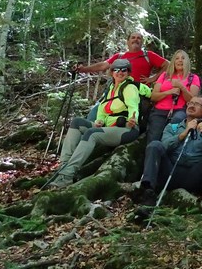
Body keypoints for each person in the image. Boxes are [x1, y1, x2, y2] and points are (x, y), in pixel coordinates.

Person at [49, 58, 140, 187]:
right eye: (116, 70)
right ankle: (63, 167)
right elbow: (102, 109)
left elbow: (133, 105)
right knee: (77, 123)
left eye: (124, 70)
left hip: (126, 128)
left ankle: (67, 176)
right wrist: (99, 121)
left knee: (92, 134)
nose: (120, 72)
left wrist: (133, 119)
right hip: (109, 126)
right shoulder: (111, 88)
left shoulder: (130, 88)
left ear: (128, 72)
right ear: (112, 72)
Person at [138, 95, 202, 206]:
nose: (192, 105)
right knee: (154, 145)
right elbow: (164, 145)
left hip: (194, 174)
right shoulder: (172, 127)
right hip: (170, 171)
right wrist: (183, 134)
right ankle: (148, 193)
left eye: (196, 104)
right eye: (190, 103)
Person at [146, 50, 202, 144]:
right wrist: (169, 92)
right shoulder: (164, 76)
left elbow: (193, 101)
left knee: (174, 126)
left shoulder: (193, 78)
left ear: (187, 62)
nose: (180, 60)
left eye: (183, 58)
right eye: (177, 58)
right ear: (173, 62)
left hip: (180, 111)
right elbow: (153, 97)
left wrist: (182, 88)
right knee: (154, 139)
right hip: (159, 111)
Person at [76, 31, 168, 86]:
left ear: (142, 42)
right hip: (117, 92)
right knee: (95, 112)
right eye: (133, 37)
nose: (136, 39)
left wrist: (154, 78)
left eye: (139, 38)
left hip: (139, 93)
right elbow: (103, 66)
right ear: (128, 42)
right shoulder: (119, 56)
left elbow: (168, 65)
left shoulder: (148, 55)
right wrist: (83, 69)